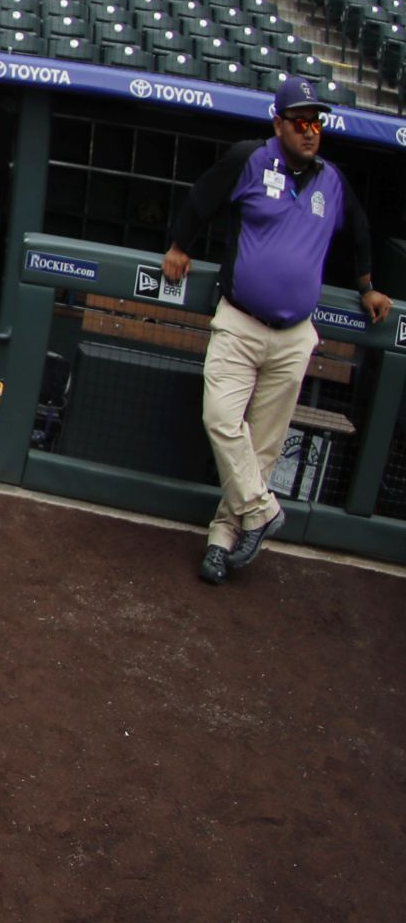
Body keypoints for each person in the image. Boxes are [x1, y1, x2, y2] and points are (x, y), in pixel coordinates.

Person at [163, 75, 391, 585]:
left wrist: (368, 285)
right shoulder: (250, 158)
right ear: (279, 124)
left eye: (318, 123)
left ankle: (223, 539)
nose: (312, 131)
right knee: (222, 419)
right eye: (301, 122)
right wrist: (180, 244)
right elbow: (202, 196)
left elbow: (358, 228)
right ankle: (263, 511)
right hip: (240, 321)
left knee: (262, 447)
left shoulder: (331, 180)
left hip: (293, 337)